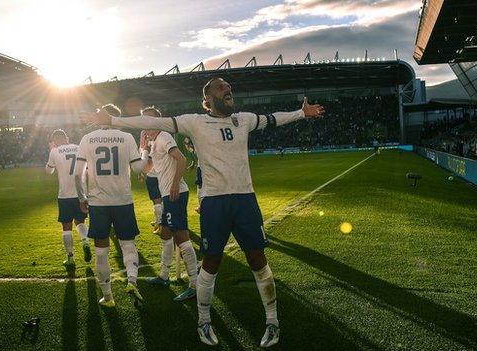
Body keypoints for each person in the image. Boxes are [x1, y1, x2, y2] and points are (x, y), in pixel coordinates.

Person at [80, 77, 324, 347]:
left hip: (245, 200)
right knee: (212, 262)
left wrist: (302, 113)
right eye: (220, 87)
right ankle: (204, 321)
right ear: (206, 101)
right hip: (215, 203)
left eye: (229, 86)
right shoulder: (194, 122)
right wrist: (113, 121)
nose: (227, 88)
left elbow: (273, 118)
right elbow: (154, 123)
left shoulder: (243, 119)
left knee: (258, 259)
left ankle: (272, 321)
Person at [74, 104, 150, 308]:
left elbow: (77, 173)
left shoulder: (87, 139)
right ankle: (132, 281)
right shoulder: (126, 138)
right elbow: (138, 168)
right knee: (128, 244)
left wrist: (82, 198)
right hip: (123, 201)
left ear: (101, 118)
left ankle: (108, 297)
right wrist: (144, 150)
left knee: (101, 251)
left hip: (99, 203)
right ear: (118, 119)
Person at [140, 107, 198, 302]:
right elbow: (148, 168)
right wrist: (144, 149)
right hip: (168, 194)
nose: (144, 126)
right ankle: (164, 276)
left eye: (147, 121)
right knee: (165, 234)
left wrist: (174, 183)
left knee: (181, 237)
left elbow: (181, 159)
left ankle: (195, 285)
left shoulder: (164, 136)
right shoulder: (154, 141)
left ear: (157, 122)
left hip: (176, 193)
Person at [45, 129, 92, 268]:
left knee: (66, 226)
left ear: (54, 141)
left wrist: (52, 150)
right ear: (67, 137)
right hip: (80, 193)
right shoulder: (79, 148)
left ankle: (70, 258)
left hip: (64, 195)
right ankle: (85, 241)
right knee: (80, 221)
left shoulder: (55, 151)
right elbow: (88, 169)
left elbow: (49, 171)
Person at [138, 130, 163, 235]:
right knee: (157, 201)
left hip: (155, 175)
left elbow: (146, 156)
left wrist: (141, 170)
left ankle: (161, 224)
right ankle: (158, 220)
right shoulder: (146, 139)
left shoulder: (151, 139)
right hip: (157, 174)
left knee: (157, 201)